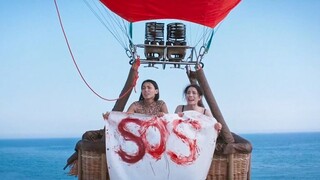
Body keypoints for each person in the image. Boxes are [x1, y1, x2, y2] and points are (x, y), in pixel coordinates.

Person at [103, 79, 168, 119]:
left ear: (156, 91)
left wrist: (163, 116)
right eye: (143, 88)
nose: (145, 90)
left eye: (149, 88)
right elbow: (125, 118)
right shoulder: (135, 105)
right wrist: (111, 117)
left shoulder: (161, 104)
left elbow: (169, 122)